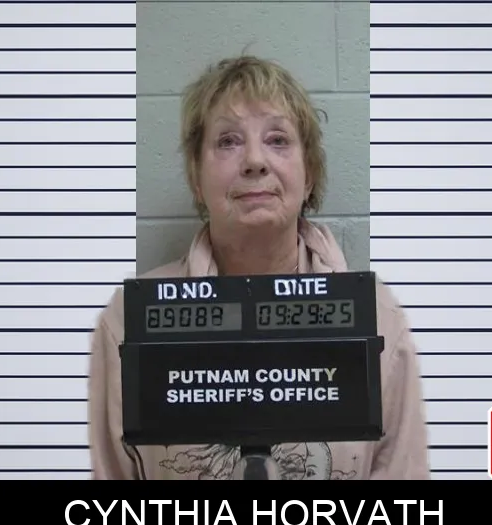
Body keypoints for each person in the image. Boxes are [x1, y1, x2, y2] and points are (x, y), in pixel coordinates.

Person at [88, 55, 430, 480]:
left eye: (278, 140)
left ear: (309, 175)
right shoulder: (127, 323)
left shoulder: (382, 321)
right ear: (196, 178)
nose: (254, 160)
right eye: (228, 141)